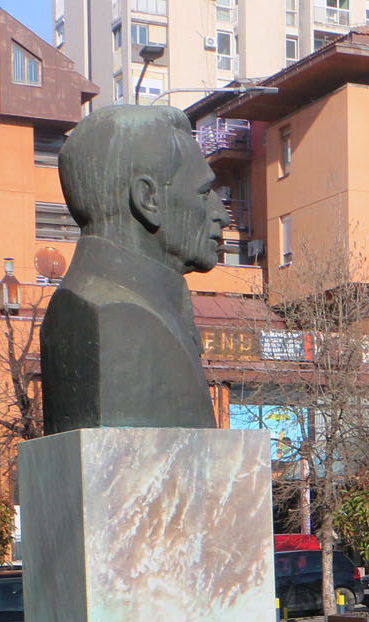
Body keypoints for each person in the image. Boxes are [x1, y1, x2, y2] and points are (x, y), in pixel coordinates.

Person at [41, 104, 229, 433]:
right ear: (148, 199)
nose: (222, 215)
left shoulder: (151, 306)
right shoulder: (110, 315)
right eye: (203, 193)